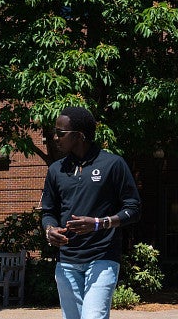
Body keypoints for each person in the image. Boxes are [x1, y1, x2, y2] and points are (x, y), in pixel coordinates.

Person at [40, 106, 142, 319]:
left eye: (61, 133)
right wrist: (49, 230)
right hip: (66, 262)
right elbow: (48, 211)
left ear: (79, 136)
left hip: (102, 258)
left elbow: (133, 210)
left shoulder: (113, 164)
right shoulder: (56, 170)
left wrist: (99, 223)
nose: (55, 137)